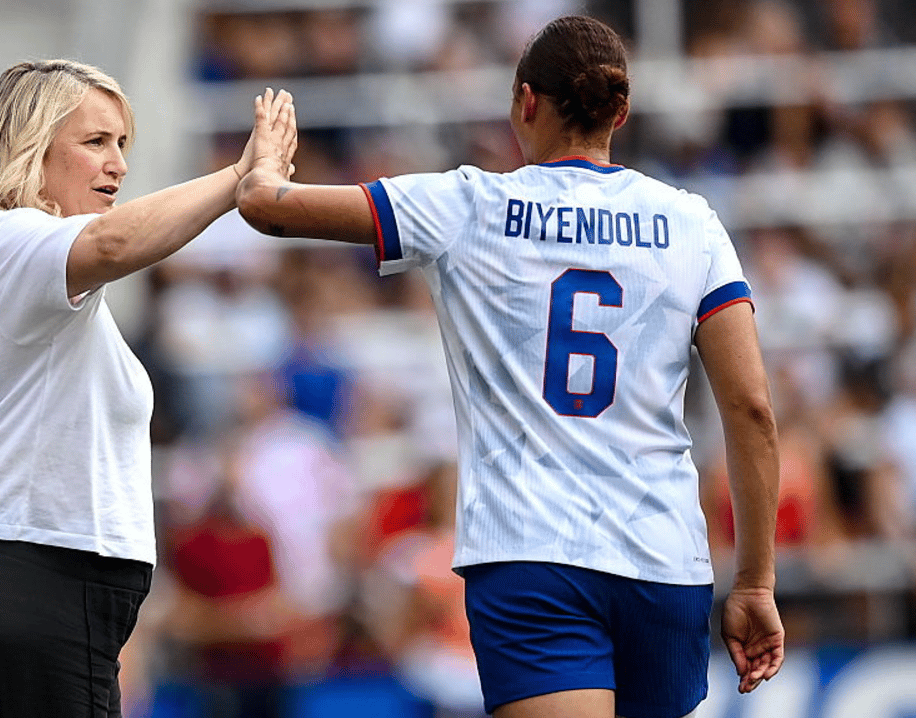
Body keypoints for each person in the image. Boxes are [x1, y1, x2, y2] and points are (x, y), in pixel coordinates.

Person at [236, 15, 784, 718]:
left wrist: (264, 161)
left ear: (525, 101)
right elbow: (752, 410)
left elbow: (268, 209)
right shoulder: (693, 224)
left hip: (532, 555)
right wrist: (756, 582)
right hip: (662, 560)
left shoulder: (468, 204)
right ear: (620, 112)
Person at [0, 59, 294, 718]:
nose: (118, 164)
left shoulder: (4, 261)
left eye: (122, 144)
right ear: (30, 149)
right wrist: (240, 178)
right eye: (95, 142)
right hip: (15, 590)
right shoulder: (10, 238)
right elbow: (113, 242)